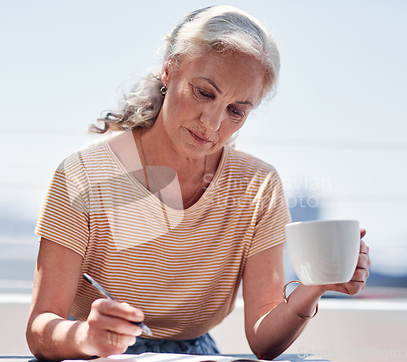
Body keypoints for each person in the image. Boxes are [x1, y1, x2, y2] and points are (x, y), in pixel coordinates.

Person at [26, 5, 370, 361]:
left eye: (236, 111)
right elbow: (40, 329)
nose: (212, 121)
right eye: (204, 93)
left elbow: (264, 342)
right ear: (169, 68)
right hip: (96, 355)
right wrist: (87, 337)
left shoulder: (258, 187)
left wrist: (312, 289)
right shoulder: (85, 173)